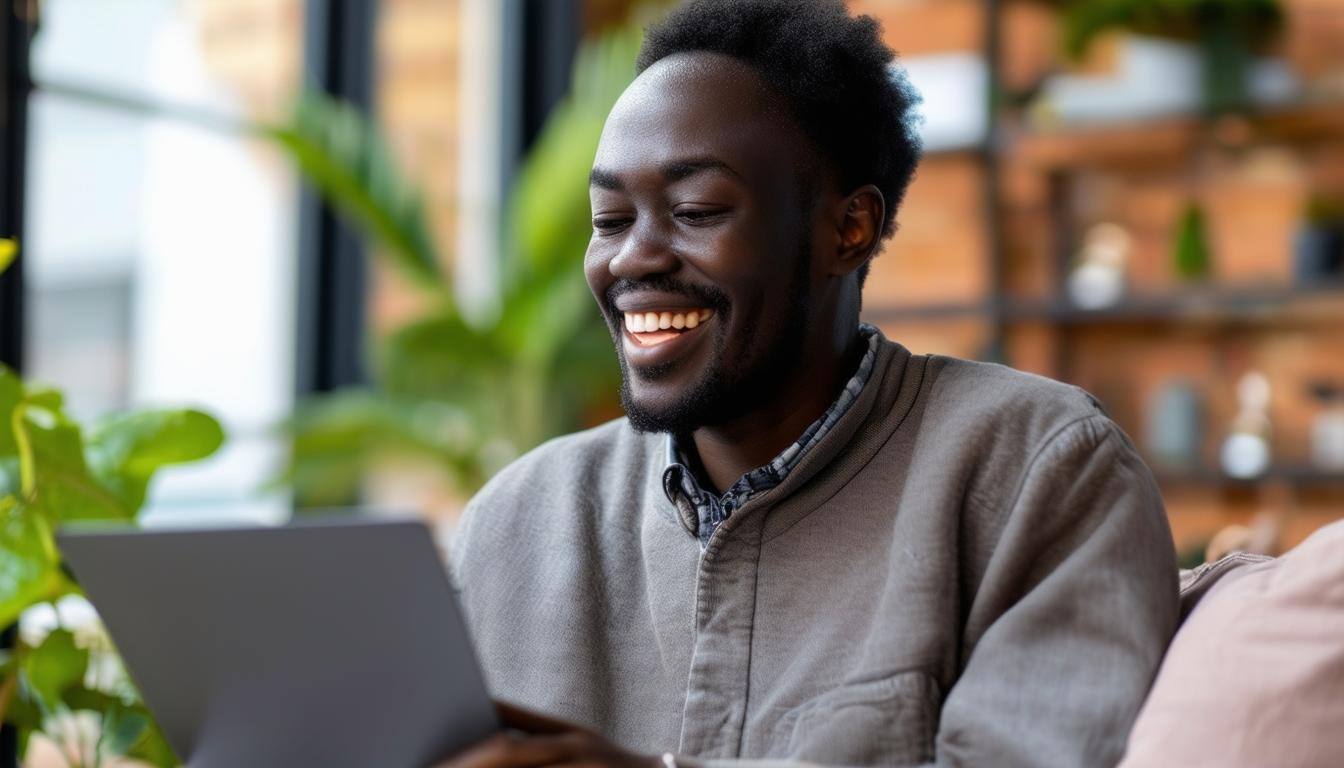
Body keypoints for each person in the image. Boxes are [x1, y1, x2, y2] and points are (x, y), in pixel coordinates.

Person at [439, 1, 1178, 766]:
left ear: (847, 229)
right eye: (610, 219)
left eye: (695, 210)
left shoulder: (1038, 471)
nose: (631, 260)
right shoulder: (515, 523)